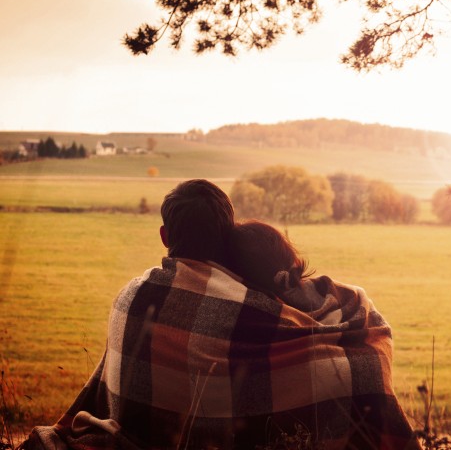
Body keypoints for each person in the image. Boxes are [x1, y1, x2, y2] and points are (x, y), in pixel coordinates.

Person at [19, 179, 421, 450]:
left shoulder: (130, 294)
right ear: (227, 237)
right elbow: (324, 351)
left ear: (164, 236)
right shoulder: (250, 307)